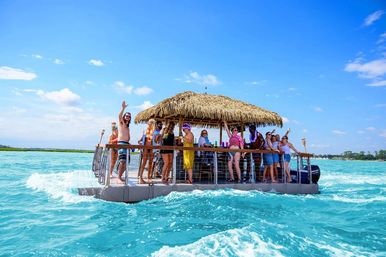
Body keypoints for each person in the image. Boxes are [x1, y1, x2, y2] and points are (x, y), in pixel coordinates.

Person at [138, 119, 156, 184]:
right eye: (150, 122)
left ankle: (149, 177)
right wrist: (140, 142)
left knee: (150, 163)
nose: (150, 124)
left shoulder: (154, 131)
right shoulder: (145, 131)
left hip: (151, 148)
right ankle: (140, 178)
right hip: (145, 148)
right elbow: (140, 140)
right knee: (144, 163)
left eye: (152, 122)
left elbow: (155, 141)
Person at [117, 101, 131, 182]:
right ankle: (119, 177)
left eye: (129, 116)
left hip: (127, 144)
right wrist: (123, 108)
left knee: (126, 162)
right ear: (124, 117)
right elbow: (119, 116)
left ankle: (120, 176)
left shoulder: (128, 126)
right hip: (121, 143)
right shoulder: (122, 123)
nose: (128, 117)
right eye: (126, 116)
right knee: (122, 161)